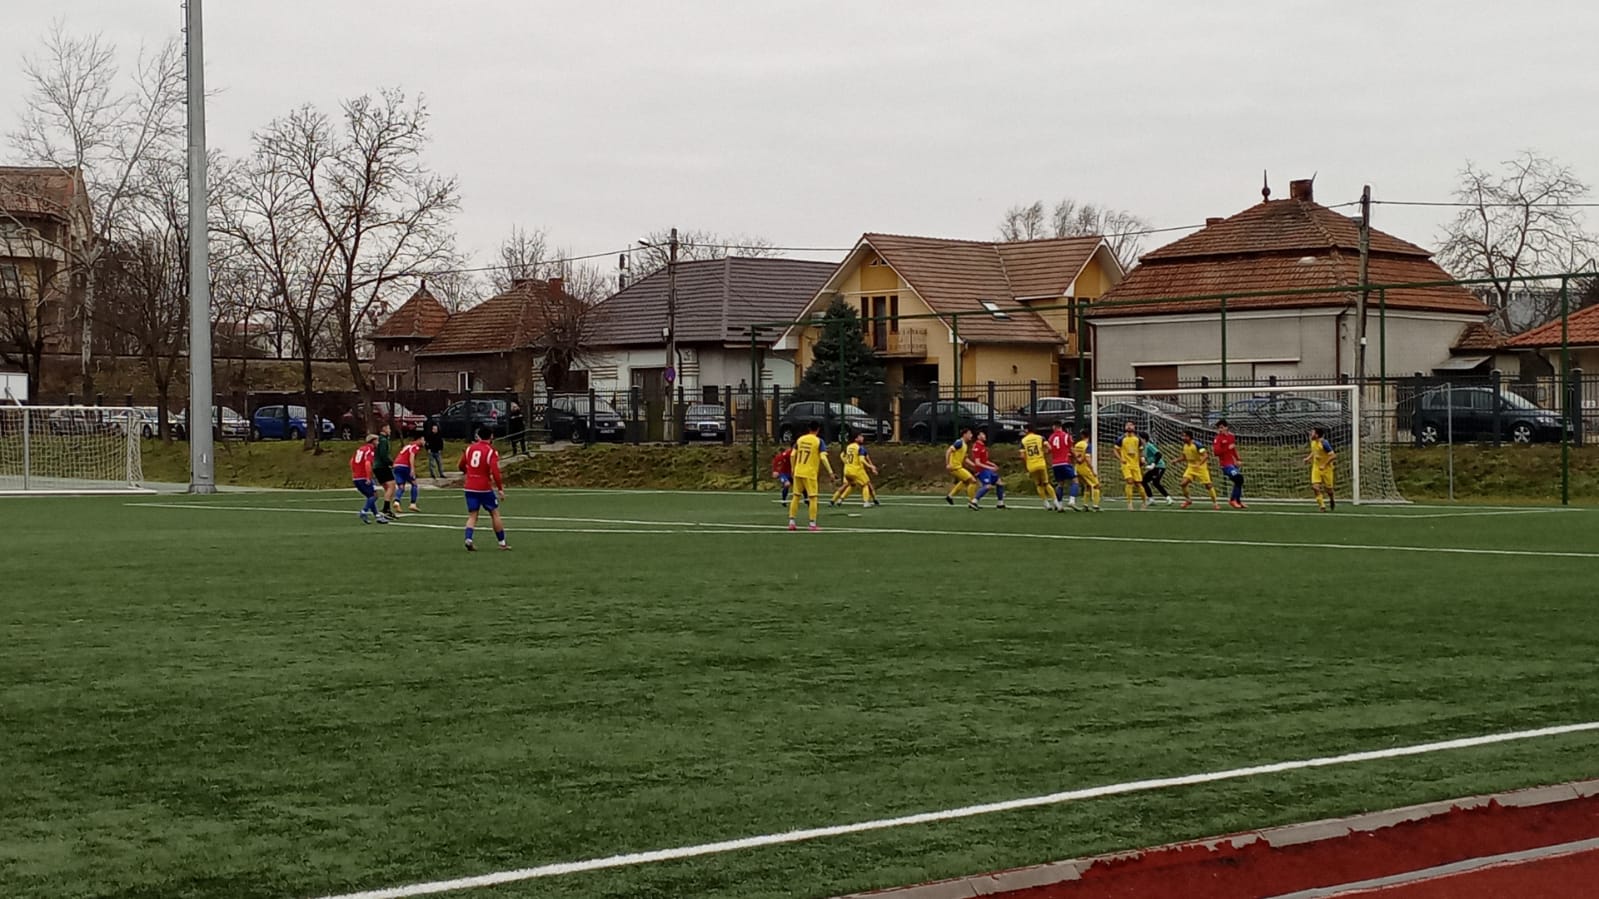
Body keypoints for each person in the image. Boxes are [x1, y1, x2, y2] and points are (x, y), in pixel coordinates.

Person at [459, 424, 508, 551]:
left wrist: (468, 472)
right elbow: (495, 471)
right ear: (491, 436)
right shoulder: (491, 451)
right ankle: (502, 543)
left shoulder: (469, 449)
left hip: (469, 486)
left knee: (472, 515)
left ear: (478, 436)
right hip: (484, 487)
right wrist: (500, 488)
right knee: (494, 513)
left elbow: (461, 465)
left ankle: (468, 539)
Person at [787, 421, 833, 531]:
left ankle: (791, 522)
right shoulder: (819, 441)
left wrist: (793, 468)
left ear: (808, 429)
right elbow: (823, 457)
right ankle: (812, 524)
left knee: (796, 496)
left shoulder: (800, 439)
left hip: (798, 471)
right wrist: (830, 472)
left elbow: (793, 454)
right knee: (813, 498)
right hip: (810, 473)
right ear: (818, 429)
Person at [831, 432, 880, 507]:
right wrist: (871, 467)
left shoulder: (849, 447)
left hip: (847, 470)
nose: (862, 438)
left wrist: (847, 462)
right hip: (856, 470)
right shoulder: (860, 448)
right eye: (860, 437)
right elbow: (862, 460)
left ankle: (840, 499)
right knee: (865, 484)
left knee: (852, 485)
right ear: (856, 439)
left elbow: (842, 456)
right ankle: (866, 502)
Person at [1179, 430, 1221, 510]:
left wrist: (1199, 464)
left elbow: (1205, 455)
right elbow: (1184, 457)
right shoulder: (1185, 446)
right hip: (1191, 467)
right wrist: (1176, 460)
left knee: (1208, 485)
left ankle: (1215, 503)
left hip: (1201, 468)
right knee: (1183, 483)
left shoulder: (1197, 445)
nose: (1183, 438)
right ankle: (1188, 500)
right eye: (1182, 436)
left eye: (1184, 436)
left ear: (1189, 437)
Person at [1019, 423, 1057, 510]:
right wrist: (1045, 452)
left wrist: (1026, 464)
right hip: (1041, 463)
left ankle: (1046, 503)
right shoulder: (1040, 437)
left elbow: (1022, 456)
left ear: (1026, 430)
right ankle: (1056, 502)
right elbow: (1049, 448)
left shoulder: (1023, 441)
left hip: (1031, 465)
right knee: (1046, 483)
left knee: (1039, 484)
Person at [350, 434, 384, 524]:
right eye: (377, 441)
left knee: (371, 496)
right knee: (374, 496)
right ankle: (364, 511)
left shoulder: (360, 449)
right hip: (363, 477)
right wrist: (368, 477)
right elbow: (368, 463)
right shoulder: (369, 450)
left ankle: (377, 515)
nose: (378, 442)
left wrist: (355, 472)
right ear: (373, 441)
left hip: (356, 477)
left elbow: (351, 462)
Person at [969, 428, 1006, 509]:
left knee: (999, 483)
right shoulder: (977, 447)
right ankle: (974, 502)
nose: (984, 436)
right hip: (981, 470)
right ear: (978, 436)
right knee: (987, 486)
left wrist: (993, 465)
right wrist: (989, 467)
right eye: (983, 434)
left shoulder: (982, 446)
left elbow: (985, 460)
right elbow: (977, 463)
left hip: (986, 469)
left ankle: (1000, 503)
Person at [1214, 419, 1245, 509]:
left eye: (1222, 427)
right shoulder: (1218, 438)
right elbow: (1216, 452)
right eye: (1219, 428)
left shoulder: (1231, 437)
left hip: (1232, 463)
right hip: (1225, 465)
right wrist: (1227, 448)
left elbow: (1233, 449)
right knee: (1238, 478)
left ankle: (1238, 501)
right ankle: (1232, 500)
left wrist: (1238, 459)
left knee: (1239, 480)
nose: (1220, 430)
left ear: (1226, 427)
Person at [1047, 422, 1079, 511]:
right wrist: (1077, 457)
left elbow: (1049, 450)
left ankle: (1059, 505)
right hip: (1065, 462)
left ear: (1055, 426)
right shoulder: (1066, 436)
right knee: (1075, 480)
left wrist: (1050, 462)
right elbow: (1071, 449)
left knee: (1060, 483)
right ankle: (1072, 500)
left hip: (1055, 464)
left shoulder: (1051, 437)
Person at [1114, 421, 1145, 511]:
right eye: (1127, 425)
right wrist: (1120, 459)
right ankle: (1130, 503)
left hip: (1135, 464)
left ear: (1134, 427)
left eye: (1131, 425)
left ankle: (1144, 501)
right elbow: (1115, 450)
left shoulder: (1137, 439)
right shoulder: (1121, 439)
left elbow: (1140, 451)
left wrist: (1142, 459)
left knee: (1138, 483)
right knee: (1129, 481)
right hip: (1126, 464)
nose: (1129, 426)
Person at [1304, 426, 1337, 511]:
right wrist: (1308, 458)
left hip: (1327, 469)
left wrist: (1324, 465)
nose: (1311, 434)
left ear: (1317, 435)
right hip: (1316, 468)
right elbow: (1315, 451)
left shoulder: (1324, 443)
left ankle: (1332, 499)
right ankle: (1322, 506)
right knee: (1315, 487)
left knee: (1329, 490)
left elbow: (1333, 456)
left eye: (1313, 432)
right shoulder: (1313, 442)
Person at [944, 426, 979, 506]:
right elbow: (948, 451)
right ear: (964, 434)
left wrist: (974, 465)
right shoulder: (959, 442)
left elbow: (965, 459)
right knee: (973, 481)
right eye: (970, 434)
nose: (971, 435)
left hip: (958, 467)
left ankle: (950, 496)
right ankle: (972, 502)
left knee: (965, 481)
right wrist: (948, 464)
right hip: (955, 467)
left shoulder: (965, 445)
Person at [374, 423, 400, 519]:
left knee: (387, 488)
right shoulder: (383, 440)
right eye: (388, 428)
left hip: (376, 467)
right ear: (384, 428)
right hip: (382, 466)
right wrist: (391, 463)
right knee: (392, 486)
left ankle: (387, 508)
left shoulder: (378, 440)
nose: (390, 430)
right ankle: (386, 509)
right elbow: (383, 454)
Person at [1140, 431, 1173, 506]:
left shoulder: (1149, 446)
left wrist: (1153, 464)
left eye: (1140, 438)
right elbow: (1148, 458)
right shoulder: (1144, 448)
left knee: (1155, 482)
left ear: (1143, 439)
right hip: (1153, 468)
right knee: (1144, 481)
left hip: (1159, 466)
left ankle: (1168, 498)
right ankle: (1151, 499)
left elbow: (1159, 454)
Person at [392, 436, 424, 512]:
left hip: (396, 466)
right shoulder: (415, 446)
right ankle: (413, 504)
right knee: (414, 484)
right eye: (423, 440)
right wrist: (412, 469)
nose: (424, 442)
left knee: (401, 486)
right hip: (405, 466)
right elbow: (411, 456)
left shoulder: (408, 446)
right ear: (419, 439)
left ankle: (397, 502)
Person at [1072, 432, 1102, 511]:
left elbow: (1074, 455)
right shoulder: (1087, 445)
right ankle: (1096, 506)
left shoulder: (1077, 444)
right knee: (1096, 485)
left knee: (1087, 486)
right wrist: (1092, 470)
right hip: (1085, 468)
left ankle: (1085, 505)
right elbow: (1087, 459)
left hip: (1078, 468)